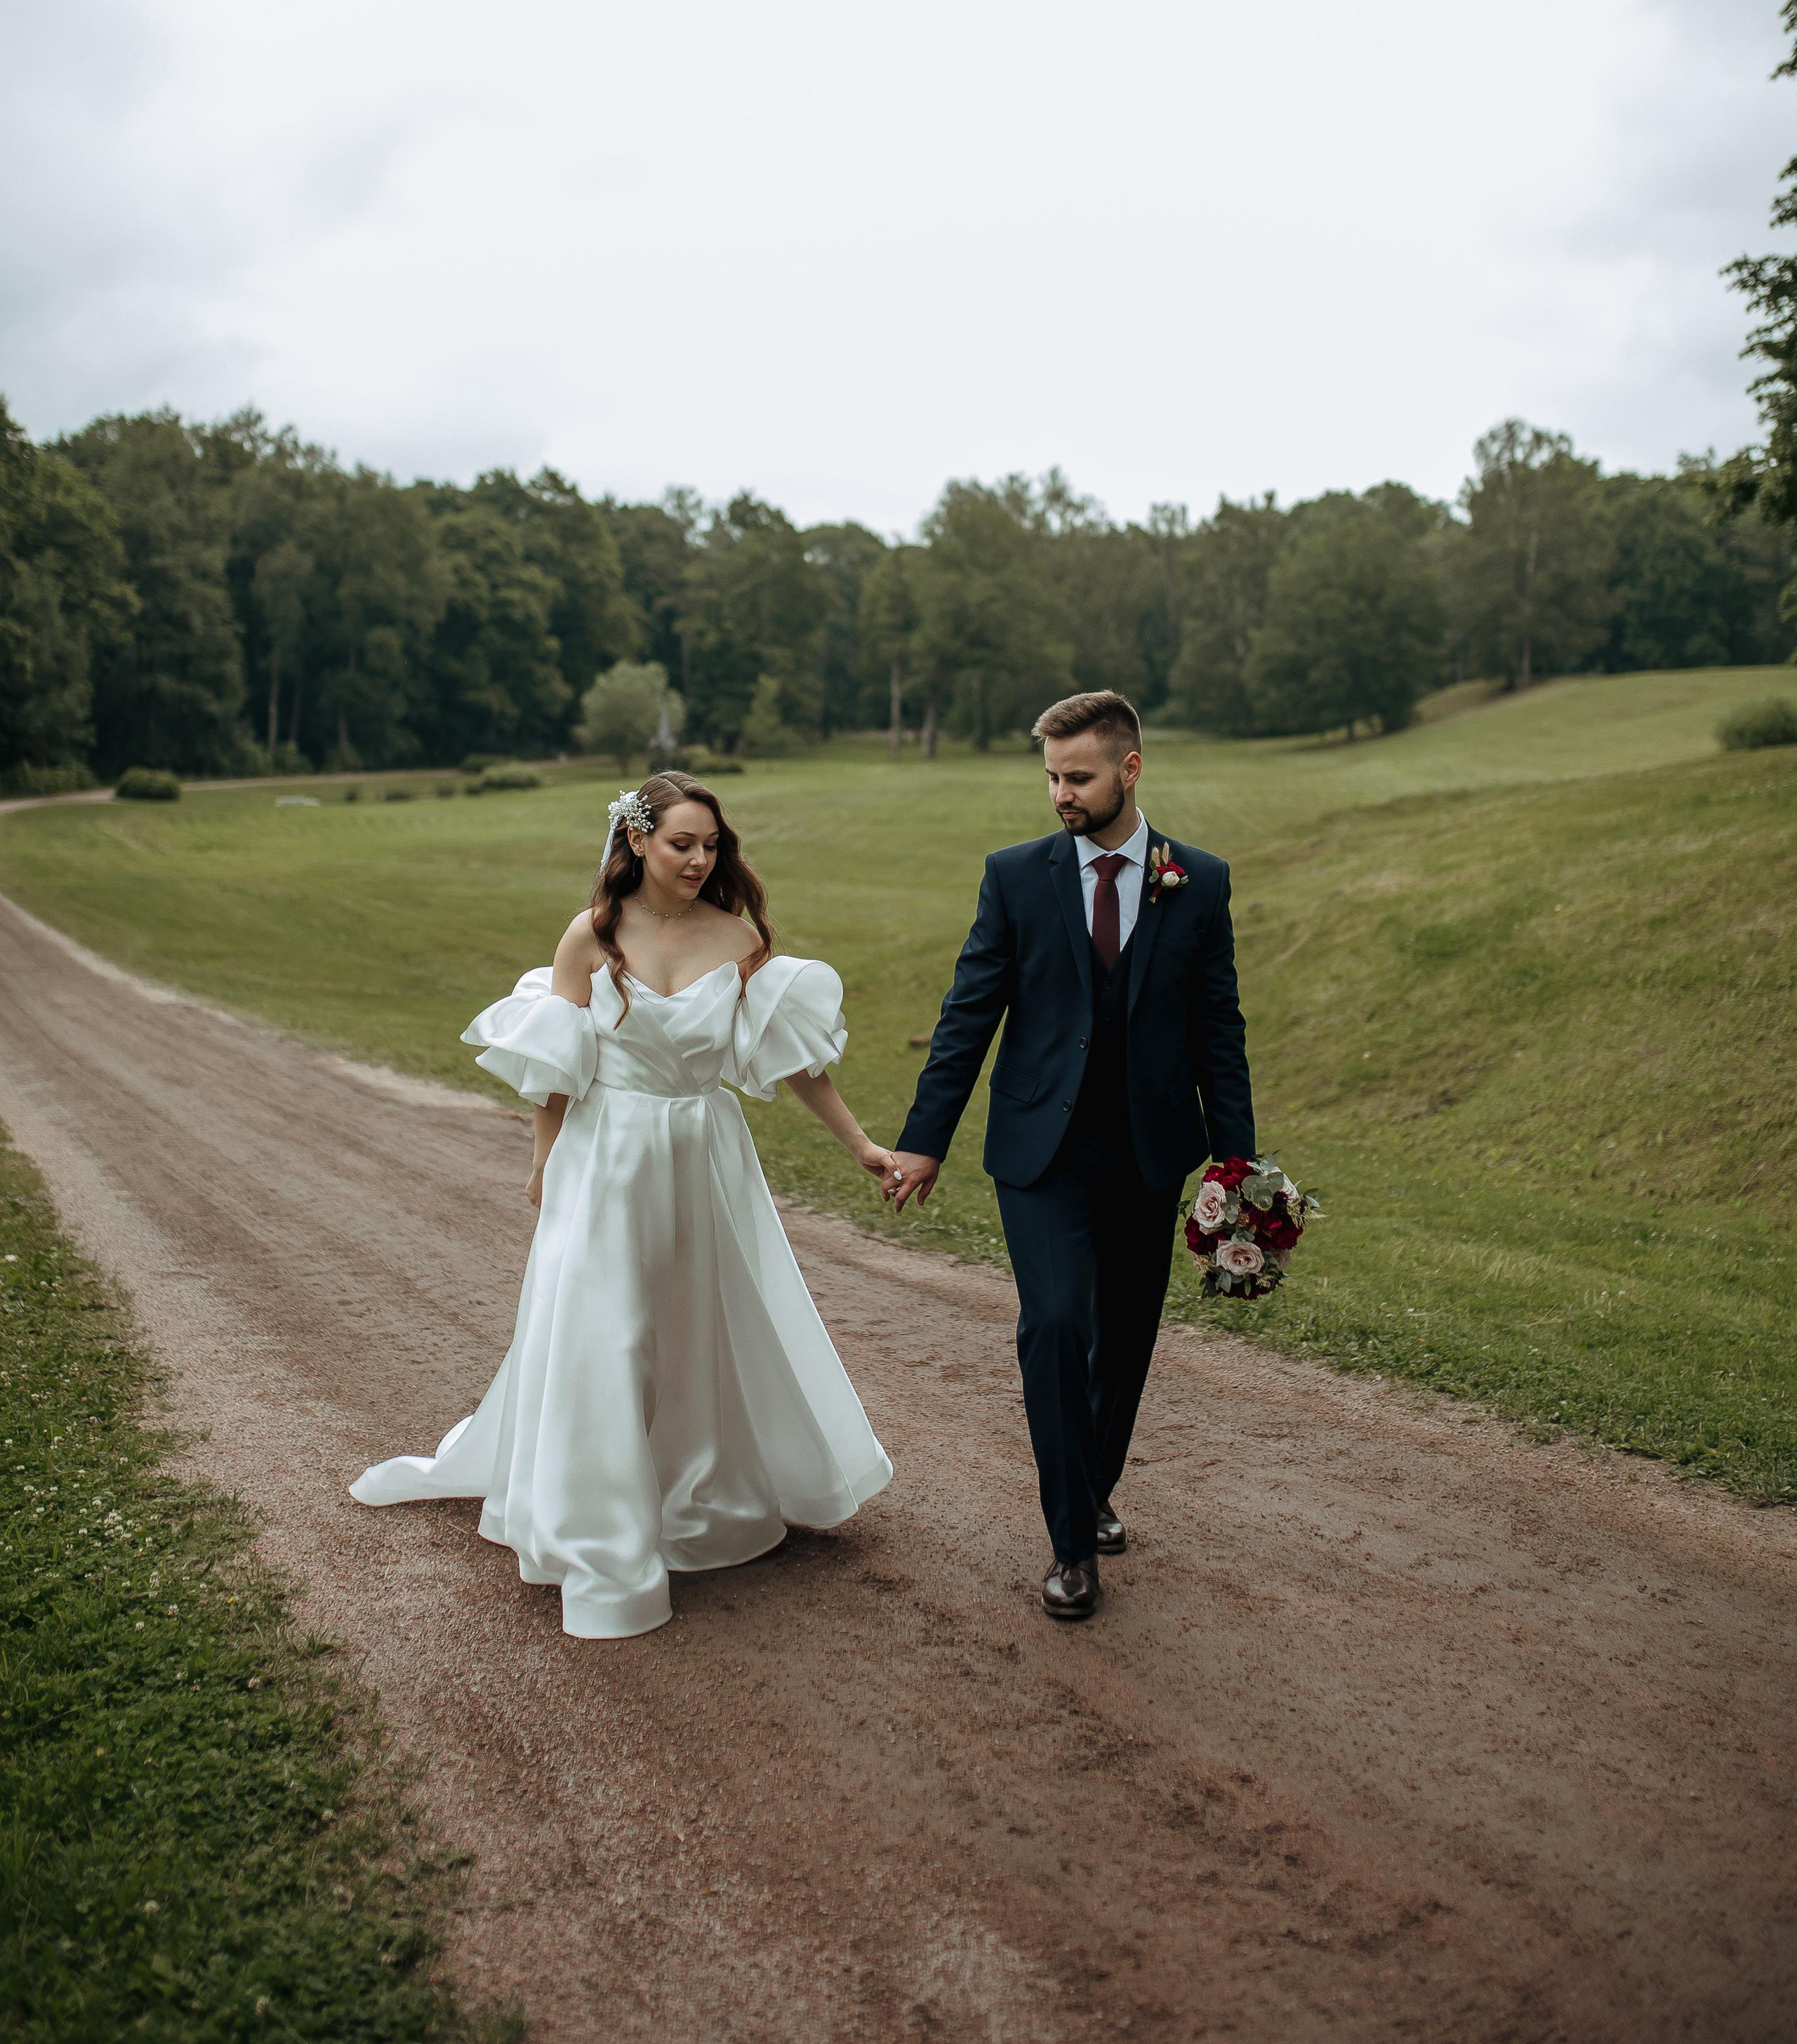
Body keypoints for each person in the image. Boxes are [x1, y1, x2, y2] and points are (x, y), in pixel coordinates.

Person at [350, 771, 896, 1639]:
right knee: (610, 1333)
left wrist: (861, 1144)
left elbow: (798, 1064)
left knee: (692, 1331)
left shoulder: (740, 939)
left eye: (711, 846)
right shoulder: (591, 937)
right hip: (604, 1158)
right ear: (637, 839)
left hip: (703, 1156)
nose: (699, 859)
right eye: (682, 842)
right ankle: (599, 1532)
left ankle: (696, 1492)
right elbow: (555, 1064)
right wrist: (543, 1160)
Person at [885, 690, 1254, 1621]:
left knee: (1125, 1342)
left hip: (1149, 1151)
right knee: (1054, 1325)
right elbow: (970, 1014)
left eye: (1078, 776)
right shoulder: (1015, 877)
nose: (1061, 793)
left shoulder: (1197, 881)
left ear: (1129, 770)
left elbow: (1220, 1030)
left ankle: (1092, 1493)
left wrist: (1235, 1170)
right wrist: (925, 1141)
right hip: (1040, 1152)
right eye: (1051, 776)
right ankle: (1068, 1548)